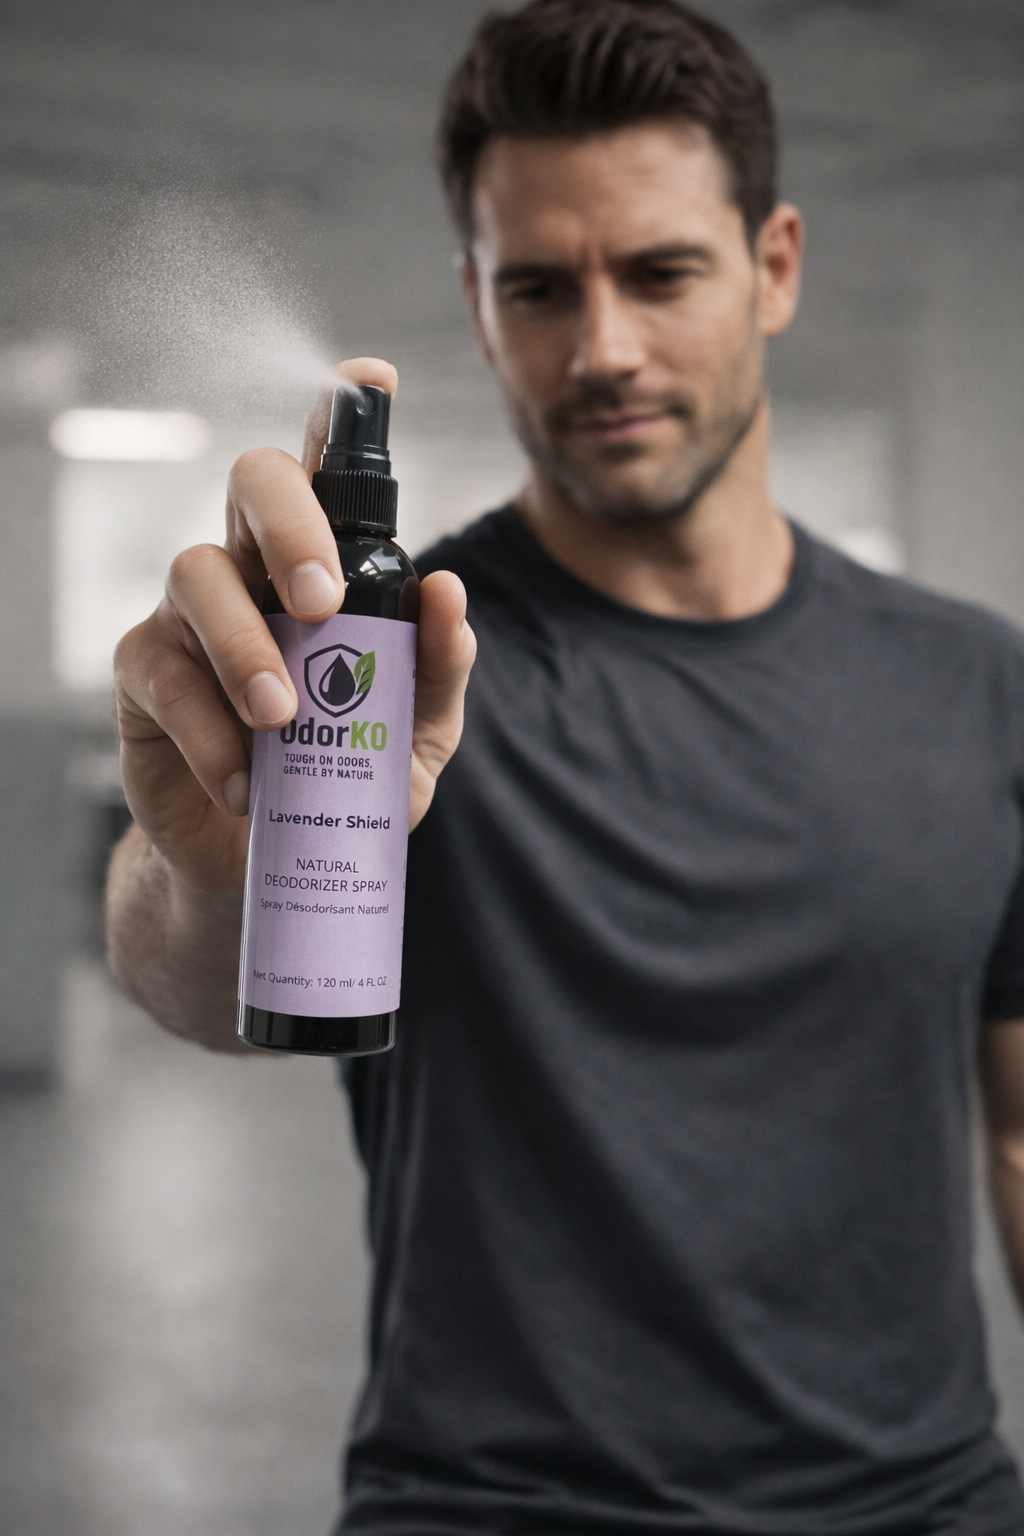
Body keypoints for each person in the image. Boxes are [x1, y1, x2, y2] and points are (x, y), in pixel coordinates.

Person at [107, 1, 1024, 1532]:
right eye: (539, 287)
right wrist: (219, 865)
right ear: (477, 307)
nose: (603, 348)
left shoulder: (978, 682)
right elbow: (181, 975)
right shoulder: (393, 678)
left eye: (660, 272)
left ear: (774, 266)